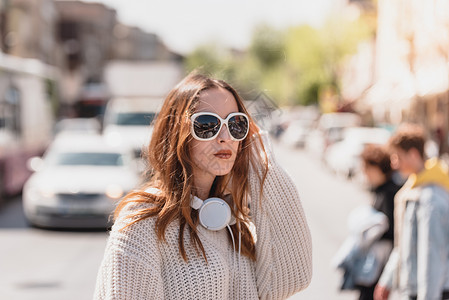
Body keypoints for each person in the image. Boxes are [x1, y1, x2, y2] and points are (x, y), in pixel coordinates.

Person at [93, 73, 313, 299]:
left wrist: (262, 161)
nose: (225, 137)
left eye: (237, 124)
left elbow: (293, 278)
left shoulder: (230, 222)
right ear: (177, 132)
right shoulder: (143, 220)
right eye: (208, 124)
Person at [374, 123, 449, 300]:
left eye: (397, 157)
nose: (394, 163)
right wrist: (387, 279)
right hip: (419, 289)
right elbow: (405, 245)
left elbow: (432, 258)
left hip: (429, 292)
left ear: (413, 154)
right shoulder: (414, 189)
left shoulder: (429, 198)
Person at [355, 144, 402, 300]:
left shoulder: (389, 192)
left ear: (376, 167)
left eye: (366, 168)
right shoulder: (381, 189)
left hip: (381, 262)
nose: (364, 173)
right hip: (377, 262)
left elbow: (393, 230)